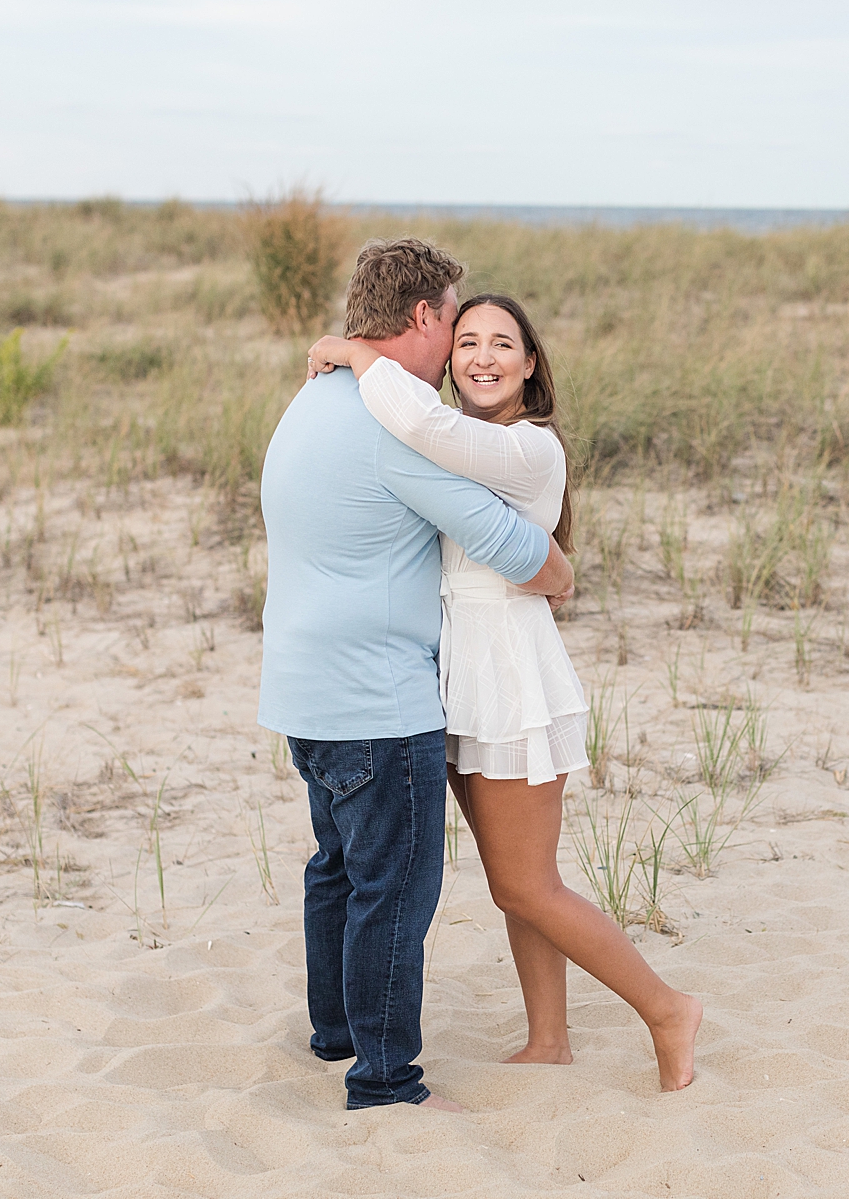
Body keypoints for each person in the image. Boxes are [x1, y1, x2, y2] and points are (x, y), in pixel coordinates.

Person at [306, 293, 701, 1092]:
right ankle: (549, 1038)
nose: (482, 357)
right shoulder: (472, 447)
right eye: (469, 343)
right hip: (457, 678)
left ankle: (667, 1009)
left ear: (530, 364)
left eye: (502, 345)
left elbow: (423, 425)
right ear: (449, 359)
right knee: (519, 877)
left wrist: (358, 355)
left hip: (511, 678)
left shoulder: (528, 446)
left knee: (525, 883)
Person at [259, 239, 575, 1113]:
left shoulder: (310, 401)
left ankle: (339, 1034)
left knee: (339, 869)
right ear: (426, 319)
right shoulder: (385, 425)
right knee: (394, 889)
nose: (460, 356)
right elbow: (516, 546)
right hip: (377, 699)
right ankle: (385, 1078)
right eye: (455, 327)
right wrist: (559, 574)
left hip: (302, 688)